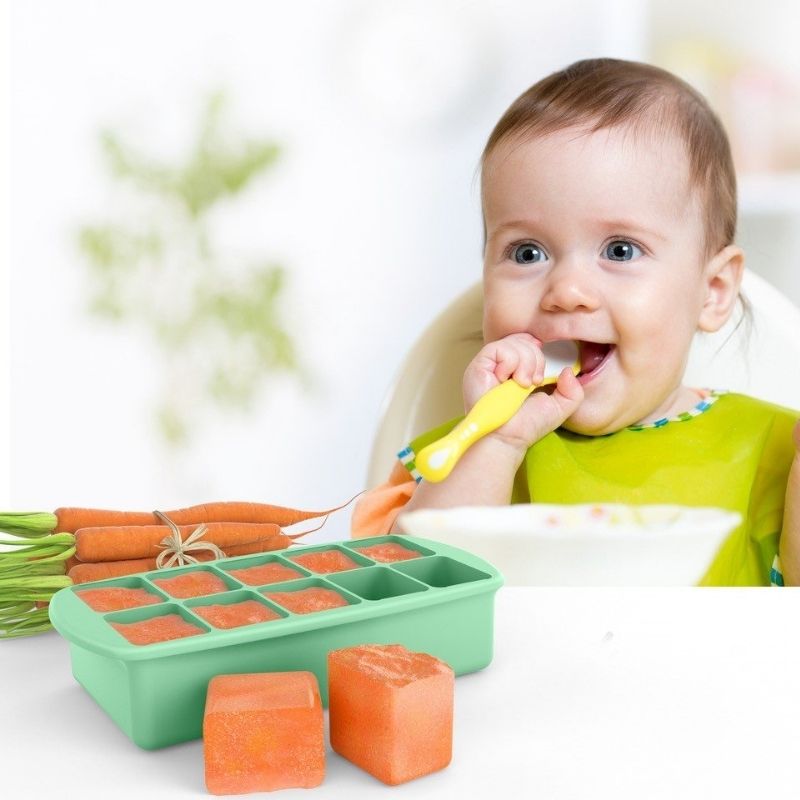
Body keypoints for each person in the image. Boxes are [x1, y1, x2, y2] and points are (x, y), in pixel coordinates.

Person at [351, 57, 800, 586]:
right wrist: (495, 444)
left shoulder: (776, 453)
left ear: (713, 291)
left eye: (620, 249)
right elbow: (417, 599)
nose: (566, 291)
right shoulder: (460, 459)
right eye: (526, 253)